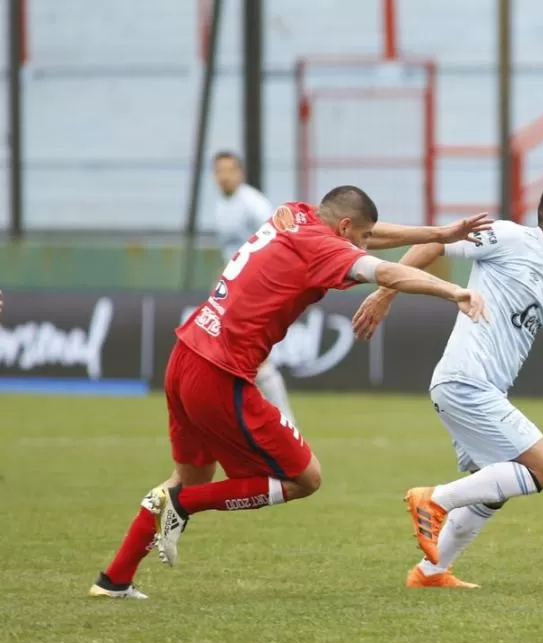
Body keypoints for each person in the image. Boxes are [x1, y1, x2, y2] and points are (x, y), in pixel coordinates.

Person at [88, 186, 489, 599]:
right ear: (344, 226)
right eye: (361, 237)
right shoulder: (327, 248)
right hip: (219, 374)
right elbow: (385, 271)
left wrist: (438, 234)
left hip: (186, 353)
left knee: (189, 476)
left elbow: (372, 234)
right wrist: (453, 291)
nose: (365, 246)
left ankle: (114, 579)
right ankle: (185, 505)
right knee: (304, 477)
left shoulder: (297, 214)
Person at [352, 182, 543, 589]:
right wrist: (385, 292)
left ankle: (430, 572)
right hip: (464, 380)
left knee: (493, 485)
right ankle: (434, 501)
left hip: (481, 390)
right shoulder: (507, 237)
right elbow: (439, 245)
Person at [212, 151, 296, 422]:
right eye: (219, 171)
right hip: (235, 289)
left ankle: (286, 424)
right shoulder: (220, 206)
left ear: (240, 173)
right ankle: (258, 420)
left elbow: (278, 238)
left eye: (228, 170)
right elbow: (230, 253)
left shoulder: (253, 204)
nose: (223, 176)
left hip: (256, 289)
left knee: (256, 358)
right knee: (240, 357)